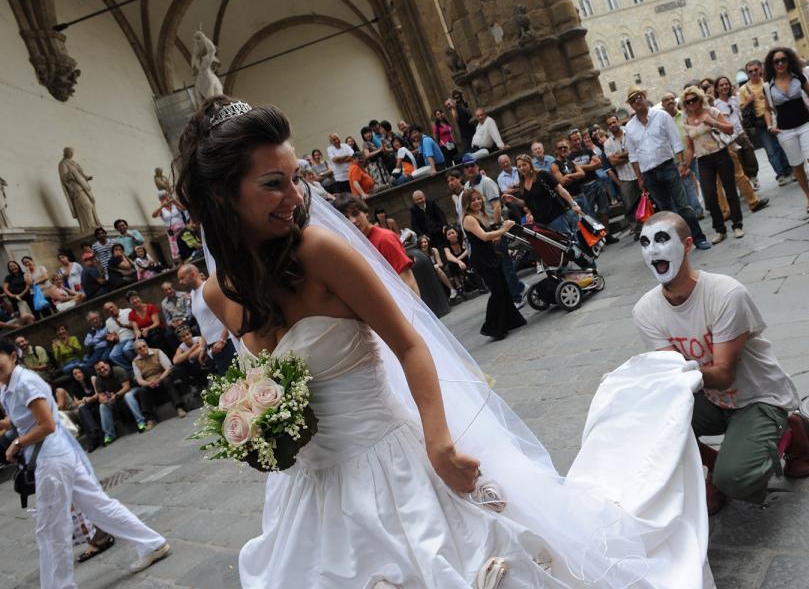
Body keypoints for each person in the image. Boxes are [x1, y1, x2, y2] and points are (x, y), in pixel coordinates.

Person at [175, 97, 711, 588]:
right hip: (308, 492)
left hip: (393, 465)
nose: (295, 197)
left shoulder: (320, 252)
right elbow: (266, 380)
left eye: (296, 178)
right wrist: (259, 428)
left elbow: (409, 345)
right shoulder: (219, 294)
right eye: (273, 183)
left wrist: (438, 442)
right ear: (222, 195)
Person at [632, 211, 809, 514]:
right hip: (710, 399)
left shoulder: (725, 294)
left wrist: (681, 373)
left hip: (757, 397)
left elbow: (723, 375)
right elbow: (672, 377)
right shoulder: (645, 311)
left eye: (662, 239)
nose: (652, 250)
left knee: (738, 480)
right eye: (644, 243)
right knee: (645, 428)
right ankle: (719, 467)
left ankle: (791, 430)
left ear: (688, 244)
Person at [0, 340, 170, 588]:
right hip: (56, 455)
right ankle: (153, 543)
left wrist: (18, 443)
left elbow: (46, 425)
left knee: (51, 527)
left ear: (14, 357)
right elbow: (22, 420)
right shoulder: (7, 385)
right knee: (98, 507)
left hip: (53, 458)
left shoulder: (25, 382)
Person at [624, 85, 712, 251]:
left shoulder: (661, 115)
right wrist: (640, 178)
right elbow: (633, 156)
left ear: (644, 97)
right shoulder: (629, 127)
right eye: (633, 99)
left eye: (639, 97)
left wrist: (681, 163)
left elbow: (676, 141)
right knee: (666, 211)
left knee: (684, 206)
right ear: (630, 104)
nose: (637, 101)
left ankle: (698, 238)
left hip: (668, 167)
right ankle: (678, 244)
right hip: (649, 173)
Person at [762, 47, 809, 214]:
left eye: (784, 60)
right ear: (771, 64)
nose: (781, 63)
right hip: (785, 130)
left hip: (806, 124)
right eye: (777, 61)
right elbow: (767, 109)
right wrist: (769, 126)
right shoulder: (768, 86)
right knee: (797, 166)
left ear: (789, 61)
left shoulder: (798, 77)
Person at [680, 86, 744, 244]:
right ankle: (720, 229)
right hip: (703, 159)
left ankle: (737, 225)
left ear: (700, 99)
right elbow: (689, 147)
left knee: (730, 191)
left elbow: (730, 129)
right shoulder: (685, 119)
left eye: (694, 99)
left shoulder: (712, 111)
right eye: (688, 101)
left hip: (721, 154)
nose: (691, 103)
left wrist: (713, 122)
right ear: (684, 104)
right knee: (709, 196)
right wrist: (686, 165)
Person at [462, 153, 527, 307]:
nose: (470, 169)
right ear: (464, 170)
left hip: (493, 228)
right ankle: (518, 288)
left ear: (477, 166)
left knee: (505, 264)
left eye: (472, 165)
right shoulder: (467, 187)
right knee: (498, 266)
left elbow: (496, 206)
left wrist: (498, 227)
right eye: (467, 167)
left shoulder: (487, 182)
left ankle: (517, 296)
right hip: (482, 229)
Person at [461, 188, 527, 340]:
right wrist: (503, 229)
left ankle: (511, 321)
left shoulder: (479, 215)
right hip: (483, 261)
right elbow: (484, 237)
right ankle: (491, 328)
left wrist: (500, 232)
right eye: (473, 200)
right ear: (467, 203)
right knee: (497, 291)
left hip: (491, 256)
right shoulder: (469, 219)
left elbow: (489, 237)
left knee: (503, 289)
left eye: (478, 198)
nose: (477, 202)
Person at [740, 60, 794, 185]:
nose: (754, 73)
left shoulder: (768, 82)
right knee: (770, 150)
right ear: (747, 74)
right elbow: (741, 109)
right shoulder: (744, 89)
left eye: (756, 69)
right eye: (750, 71)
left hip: (774, 118)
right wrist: (748, 101)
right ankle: (780, 174)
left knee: (782, 145)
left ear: (760, 69)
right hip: (759, 122)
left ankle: (790, 170)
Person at [177, 263, 237, 375]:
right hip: (212, 345)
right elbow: (202, 323)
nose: (180, 282)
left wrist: (222, 340)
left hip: (226, 342)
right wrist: (203, 348)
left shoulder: (208, 288)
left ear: (193, 274)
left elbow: (228, 313)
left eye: (182, 278)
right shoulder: (192, 295)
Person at [510, 154, 582, 238]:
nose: (522, 168)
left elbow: (560, 189)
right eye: (519, 166)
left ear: (530, 164)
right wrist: (513, 200)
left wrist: (573, 204)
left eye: (524, 164)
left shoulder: (542, 175)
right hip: (541, 223)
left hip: (555, 216)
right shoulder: (522, 184)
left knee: (567, 241)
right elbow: (527, 203)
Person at [91, 359, 152, 437]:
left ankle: (141, 422)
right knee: (102, 406)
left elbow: (127, 387)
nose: (102, 370)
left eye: (103, 367)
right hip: (115, 396)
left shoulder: (118, 370)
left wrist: (116, 395)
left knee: (128, 396)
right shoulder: (98, 379)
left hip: (132, 390)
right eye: (98, 369)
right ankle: (109, 434)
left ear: (108, 365)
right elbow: (100, 396)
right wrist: (104, 400)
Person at [603, 114, 642, 236]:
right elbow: (612, 162)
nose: (612, 125)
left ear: (618, 121)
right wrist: (629, 155)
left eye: (614, 122)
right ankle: (637, 229)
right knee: (630, 205)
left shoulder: (629, 132)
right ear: (608, 127)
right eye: (609, 124)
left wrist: (619, 155)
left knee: (648, 199)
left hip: (640, 171)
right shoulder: (608, 143)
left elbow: (638, 150)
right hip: (625, 177)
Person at [132, 340, 188, 419]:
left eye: (144, 346)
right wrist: (149, 383)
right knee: (142, 390)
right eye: (139, 348)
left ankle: (179, 408)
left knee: (167, 381)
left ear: (147, 345)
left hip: (162, 376)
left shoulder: (157, 352)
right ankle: (149, 419)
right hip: (149, 382)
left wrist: (159, 379)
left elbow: (168, 368)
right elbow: (139, 380)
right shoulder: (135, 361)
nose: (143, 349)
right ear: (136, 351)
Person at [171, 325, 214, 389]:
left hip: (204, 362)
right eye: (183, 336)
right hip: (194, 366)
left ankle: (211, 378)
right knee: (176, 368)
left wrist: (186, 356)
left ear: (191, 333)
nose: (186, 337)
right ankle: (193, 386)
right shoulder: (181, 347)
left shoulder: (198, 339)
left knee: (204, 356)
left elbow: (200, 349)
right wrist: (192, 349)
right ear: (180, 339)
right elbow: (175, 361)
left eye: (187, 334)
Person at [417, 235, 457, 301]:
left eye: (425, 242)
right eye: (421, 243)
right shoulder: (418, 254)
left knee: (438, 270)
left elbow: (440, 263)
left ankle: (452, 289)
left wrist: (436, 265)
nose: (423, 244)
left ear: (428, 243)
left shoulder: (434, 250)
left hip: (436, 270)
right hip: (426, 273)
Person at [152, 193, 188, 263]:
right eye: (162, 199)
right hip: (172, 232)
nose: (165, 199)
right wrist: (161, 207)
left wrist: (175, 201)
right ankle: (182, 262)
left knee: (187, 243)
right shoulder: (162, 210)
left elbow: (184, 208)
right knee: (177, 248)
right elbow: (153, 215)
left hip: (182, 228)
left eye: (166, 197)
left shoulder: (175, 206)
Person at [102, 300, 136, 374]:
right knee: (113, 355)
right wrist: (113, 338)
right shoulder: (108, 321)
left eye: (111, 307)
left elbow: (135, 325)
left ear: (116, 306)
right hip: (121, 341)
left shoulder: (127, 311)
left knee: (126, 349)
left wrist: (122, 325)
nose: (110, 310)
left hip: (131, 336)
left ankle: (139, 366)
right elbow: (116, 336)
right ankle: (131, 371)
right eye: (107, 310)